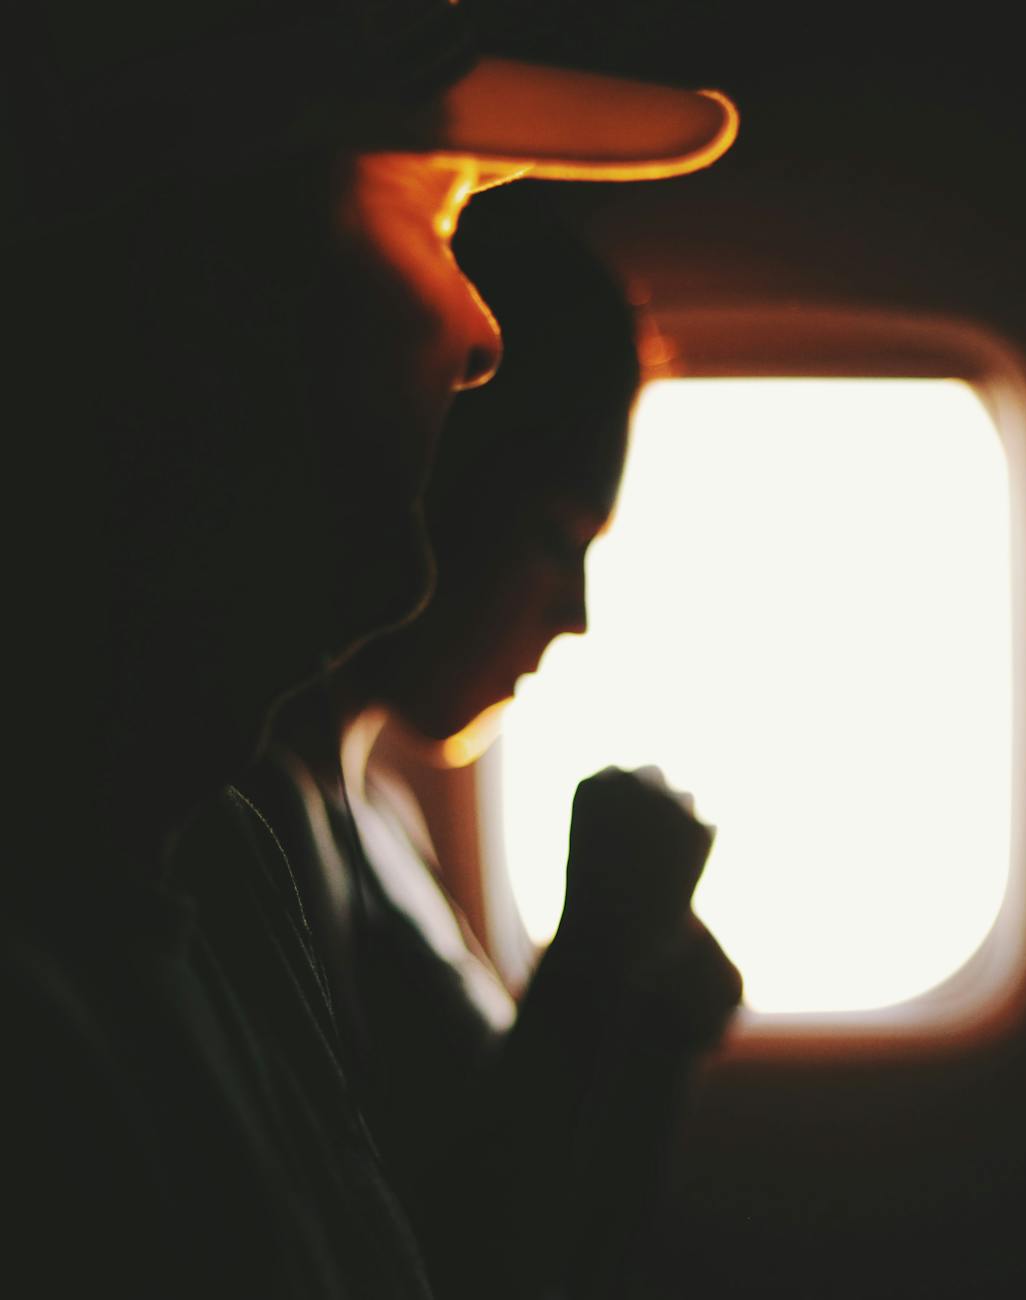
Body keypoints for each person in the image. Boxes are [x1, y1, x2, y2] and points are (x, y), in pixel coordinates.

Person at [2, 2, 739, 1294]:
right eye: (421, 222)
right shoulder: (98, 964)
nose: (477, 336)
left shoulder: (220, 862)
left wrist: (647, 1032)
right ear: (201, 295)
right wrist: (594, 978)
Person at [243, 189, 743, 1300]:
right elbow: (438, 1263)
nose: (575, 615)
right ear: (448, 489)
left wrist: (649, 1031)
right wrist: (594, 963)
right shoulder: (261, 828)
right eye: (555, 537)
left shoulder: (377, 813)